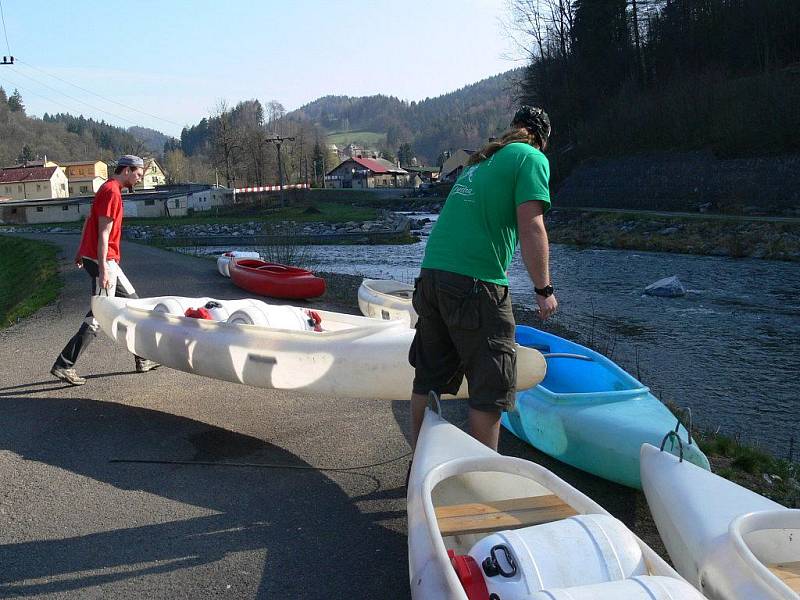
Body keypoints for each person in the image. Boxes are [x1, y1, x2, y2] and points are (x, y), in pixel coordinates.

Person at [409, 106, 558, 451]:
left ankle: (417, 466)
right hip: (475, 283)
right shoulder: (531, 158)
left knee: (428, 378)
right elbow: (532, 226)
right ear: (541, 140)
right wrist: (543, 289)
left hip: (431, 276)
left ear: (514, 128)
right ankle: (482, 483)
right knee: (491, 388)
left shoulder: (481, 161)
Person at [50, 155, 159, 386]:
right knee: (99, 315)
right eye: (138, 175)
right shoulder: (112, 192)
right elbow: (102, 233)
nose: (139, 180)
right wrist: (103, 269)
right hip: (105, 262)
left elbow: (88, 222)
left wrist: (81, 252)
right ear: (127, 170)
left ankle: (142, 359)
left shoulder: (108, 189)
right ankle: (64, 364)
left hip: (104, 260)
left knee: (134, 305)